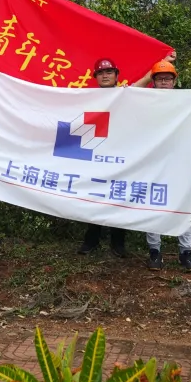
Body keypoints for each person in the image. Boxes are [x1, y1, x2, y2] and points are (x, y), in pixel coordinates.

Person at [145, 59, 191, 272]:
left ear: (174, 82)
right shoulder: (146, 102)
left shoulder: (186, 102)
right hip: (154, 162)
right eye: (160, 79)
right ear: (154, 82)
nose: (164, 82)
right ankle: (154, 252)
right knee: (152, 205)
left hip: (179, 163)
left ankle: (186, 252)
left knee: (182, 204)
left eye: (168, 79)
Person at [77, 58, 128, 259]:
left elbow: (144, 86)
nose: (105, 76)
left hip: (120, 154)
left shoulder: (125, 94)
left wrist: (162, 63)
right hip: (95, 153)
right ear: (95, 77)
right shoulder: (89, 97)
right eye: (101, 73)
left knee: (118, 197)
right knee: (94, 196)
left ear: (116, 75)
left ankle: (118, 242)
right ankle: (92, 239)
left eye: (109, 72)